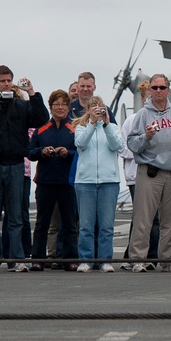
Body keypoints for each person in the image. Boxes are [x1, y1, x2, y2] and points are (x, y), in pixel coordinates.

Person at [0, 66, 48, 272]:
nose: (6, 84)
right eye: (2, 81)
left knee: (15, 216)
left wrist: (32, 93)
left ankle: (16, 258)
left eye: (9, 81)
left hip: (15, 164)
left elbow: (42, 118)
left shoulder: (21, 105)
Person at [125, 74, 171, 273]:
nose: (159, 91)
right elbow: (132, 144)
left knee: (170, 220)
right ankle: (138, 258)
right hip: (150, 173)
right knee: (143, 218)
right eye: (155, 87)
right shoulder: (142, 115)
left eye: (162, 87)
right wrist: (147, 136)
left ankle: (167, 258)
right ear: (150, 90)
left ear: (168, 90)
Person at [73, 95, 123, 272]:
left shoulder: (113, 127)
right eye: (93, 109)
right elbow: (80, 144)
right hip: (85, 182)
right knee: (86, 225)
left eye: (100, 108)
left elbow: (117, 145)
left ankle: (104, 260)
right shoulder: (81, 127)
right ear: (88, 111)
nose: (98, 112)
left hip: (109, 181)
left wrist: (107, 125)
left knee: (106, 225)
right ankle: (85, 260)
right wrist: (92, 124)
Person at [28, 90, 78, 269]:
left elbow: (80, 153)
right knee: (42, 223)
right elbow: (31, 152)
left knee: (70, 223)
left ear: (68, 107)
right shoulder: (41, 130)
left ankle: (70, 259)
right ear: (51, 107)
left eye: (64, 104)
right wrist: (43, 152)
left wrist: (68, 153)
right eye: (56, 104)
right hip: (45, 182)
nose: (60, 108)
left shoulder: (74, 129)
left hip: (67, 183)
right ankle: (37, 259)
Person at [120, 82, 160, 267]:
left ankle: (152, 256)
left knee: (156, 217)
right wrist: (143, 148)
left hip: (157, 175)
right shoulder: (132, 120)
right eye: (148, 96)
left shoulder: (162, 119)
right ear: (143, 98)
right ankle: (132, 256)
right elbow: (124, 148)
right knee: (140, 217)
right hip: (136, 175)